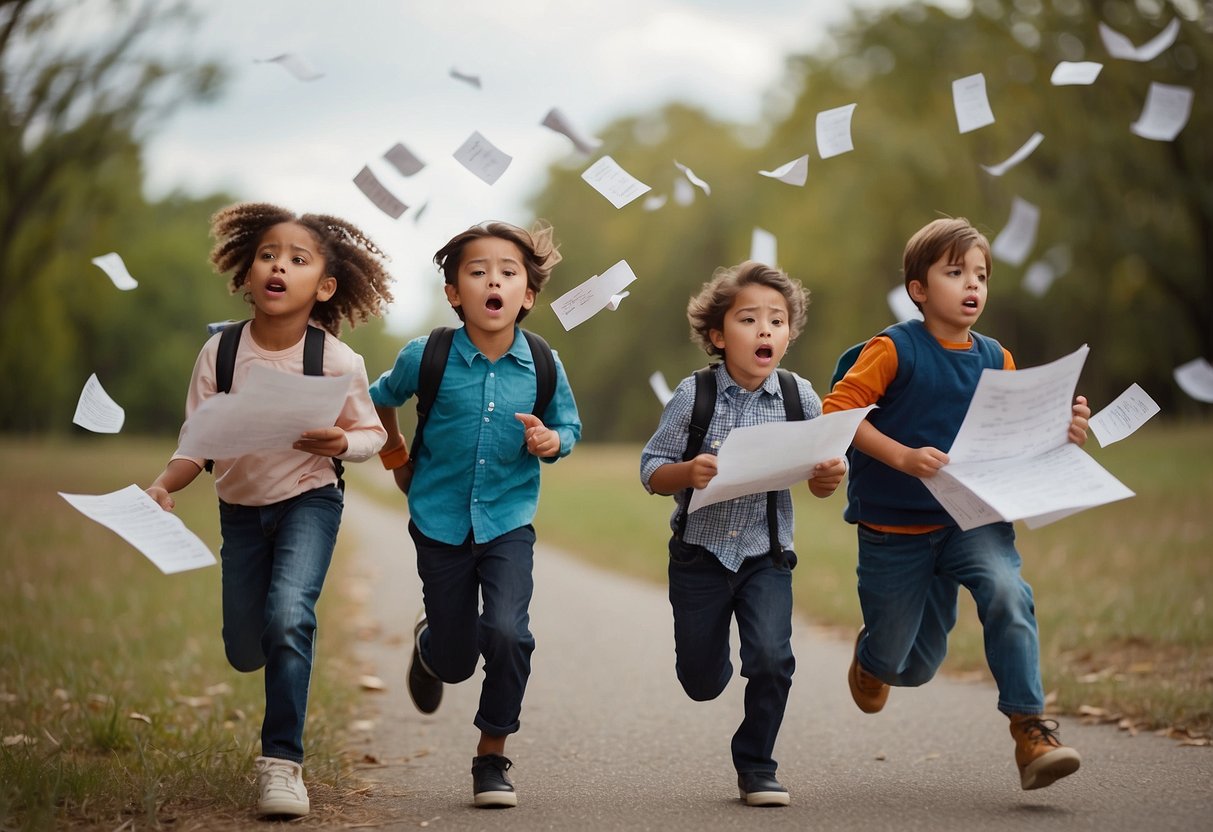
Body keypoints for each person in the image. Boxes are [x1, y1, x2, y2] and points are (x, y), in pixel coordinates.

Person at [822, 216, 1089, 791]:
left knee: (1008, 593)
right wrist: (902, 457)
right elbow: (836, 418)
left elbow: (1016, 437)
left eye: (981, 275)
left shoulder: (999, 358)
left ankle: (1031, 731)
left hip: (974, 520)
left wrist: (1060, 430)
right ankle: (872, 660)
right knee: (910, 666)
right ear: (919, 289)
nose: (973, 285)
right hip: (895, 530)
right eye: (955, 272)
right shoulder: (893, 349)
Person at [145, 202, 393, 818]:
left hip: (310, 500)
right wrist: (162, 485)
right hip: (241, 511)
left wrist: (342, 442)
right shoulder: (221, 355)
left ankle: (282, 764)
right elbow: (195, 444)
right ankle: (267, 653)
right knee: (244, 647)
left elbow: (372, 436)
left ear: (325, 286)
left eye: (298, 259)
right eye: (268, 255)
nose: (279, 265)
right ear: (248, 273)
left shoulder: (336, 360)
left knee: (288, 617)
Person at [369, 220, 580, 809]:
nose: (495, 280)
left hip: (508, 520)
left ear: (527, 295)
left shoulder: (541, 361)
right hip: (438, 521)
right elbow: (376, 399)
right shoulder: (427, 355)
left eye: (509, 273)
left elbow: (570, 426)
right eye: (478, 270)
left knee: (510, 633)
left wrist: (551, 442)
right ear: (454, 292)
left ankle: (492, 756)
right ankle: (430, 645)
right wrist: (395, 456)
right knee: (458, 659)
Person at [640, 261, 847, 807]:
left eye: (777, 321)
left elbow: (818, 482)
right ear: (717, 335)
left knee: (773, 659)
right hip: (699, 556)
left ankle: (757, 765)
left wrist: (827, 478)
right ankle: (710, 658)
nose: (765, 331)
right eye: (749, 319)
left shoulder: (801, 399)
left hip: (767, 555)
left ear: (788, 335)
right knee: (702, 680)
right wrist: (689, 472)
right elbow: (651, 470)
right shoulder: (695, 396)